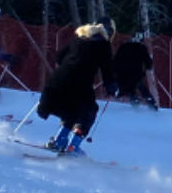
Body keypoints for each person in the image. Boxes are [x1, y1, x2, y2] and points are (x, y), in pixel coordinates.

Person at [37, 17, 116, 155]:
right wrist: (111, 87)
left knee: (71, 110)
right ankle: (72, 148)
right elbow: (107, 71)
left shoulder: (79, 38)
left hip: (55, 82)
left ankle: (59, 141)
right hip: (78, 84)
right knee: (88, 111)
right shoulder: (104, 45)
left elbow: (59, 58)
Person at [111, 33, 159, 110]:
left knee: (131, 88)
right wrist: (148, 66)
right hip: (136, 73)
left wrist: (115, 71)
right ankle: (151, 104)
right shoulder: (141, 47)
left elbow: (116, 60)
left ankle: (135, 103)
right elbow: (147, 61)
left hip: (124, 73)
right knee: (141, 88)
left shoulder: (124, 46)